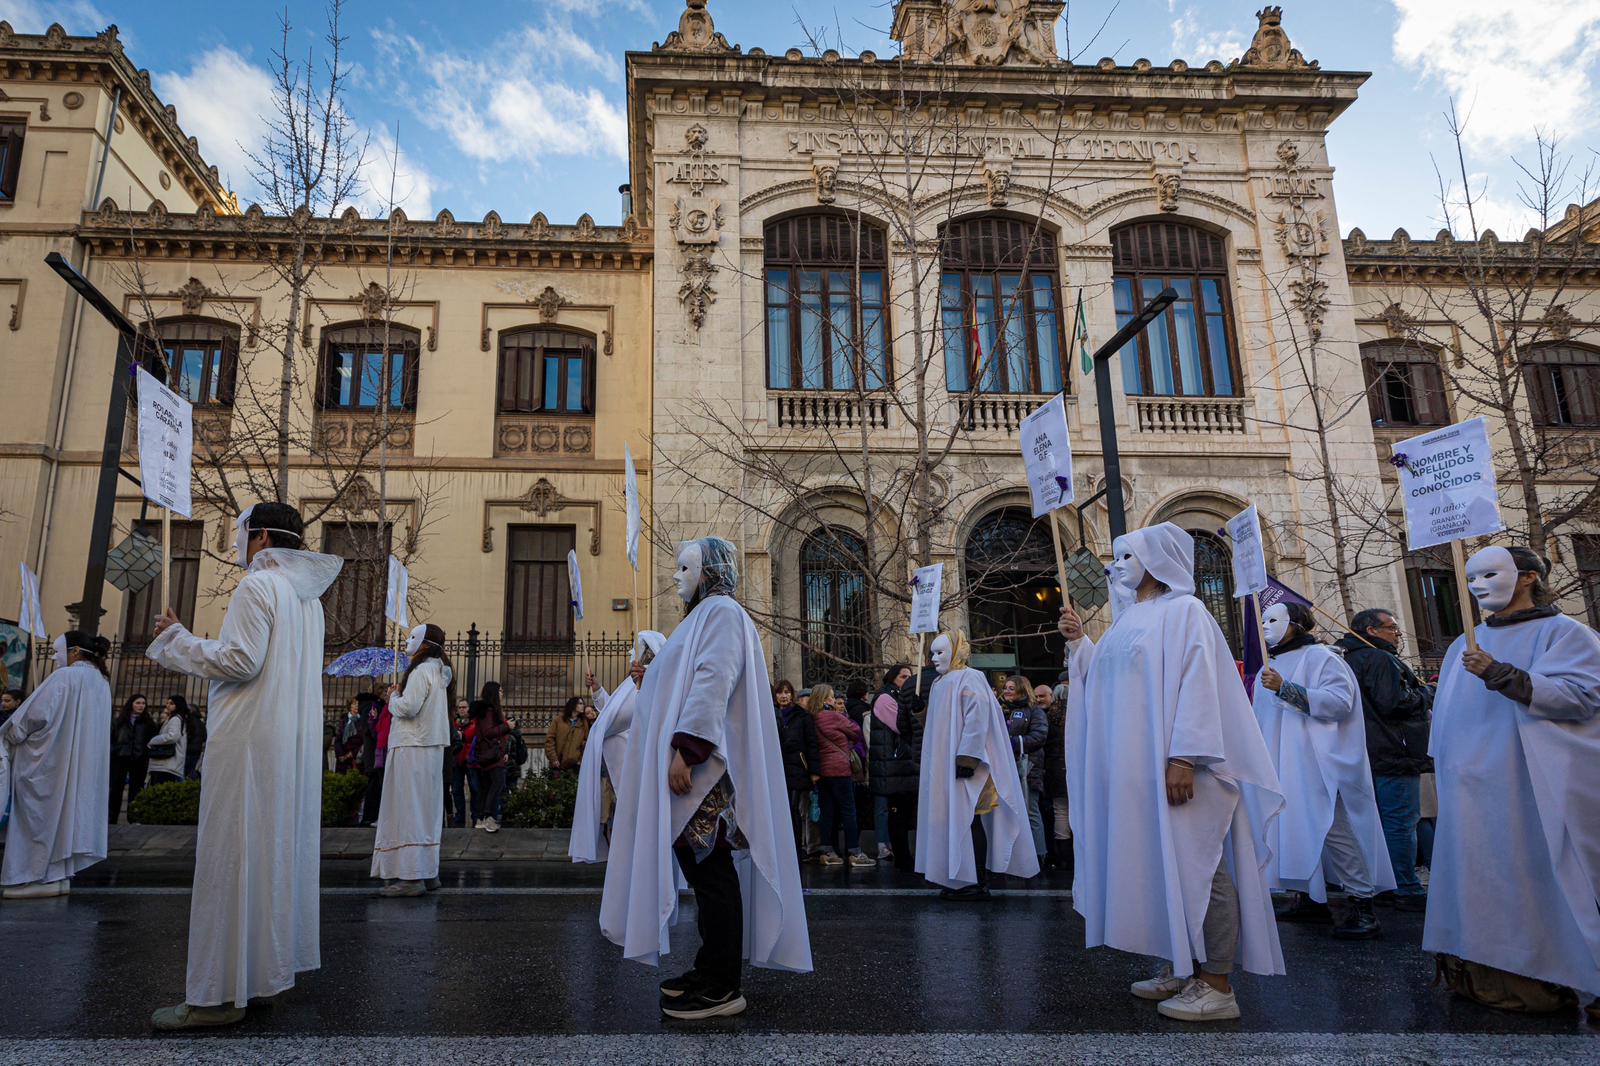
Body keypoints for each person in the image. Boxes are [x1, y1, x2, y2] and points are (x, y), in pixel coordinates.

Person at [1061, 523, 1284, 1023]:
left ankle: (1217, 982)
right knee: (1164, 864)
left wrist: (1185, 756)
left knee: (1201, 865)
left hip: (1180, 768)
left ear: (1155, 560)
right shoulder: (1127, 619)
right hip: (1140, 771)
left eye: (1125, 557)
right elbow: (1109, 681)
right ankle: (1183, 965)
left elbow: (1199, 681)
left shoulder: (1187, 611)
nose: (1114, 565)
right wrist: (1081, 647)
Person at [143, 501, 343, 1030]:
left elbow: (239, 660)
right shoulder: (308, 601)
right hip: (283, 747)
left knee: (230, 860)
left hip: (248, 744)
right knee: (268, 858)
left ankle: (214, 996)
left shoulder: (258, 587)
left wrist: (177, 641)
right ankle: (257, 979)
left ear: (259, 539)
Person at [601, 536, 810, 1022]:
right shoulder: (703, 617)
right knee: (704, 871)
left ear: (710, 571)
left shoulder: (720, 613)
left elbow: (713, 680)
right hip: (694, 769)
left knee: (711, 872)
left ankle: (721, 984)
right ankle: (709, 968)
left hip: (702, 774)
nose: (676, 576)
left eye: (684, 567)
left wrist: (687, 751)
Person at [1425, 546, 1600, 1007]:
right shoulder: (1463, 643)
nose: (1477, 586)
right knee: (1482, 879)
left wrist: (1502, 674)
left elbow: (1583, 697)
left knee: (1538, 877)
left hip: (1530, 787)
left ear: (1526, 578)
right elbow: (1446, 720)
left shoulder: (1566, 634)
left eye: (1488, 574)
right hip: (1472, 790)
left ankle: (1555, 974)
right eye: (1470, 577)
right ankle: (1487, 973)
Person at [1252, 602, 1395, 939]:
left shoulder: (1323, 658)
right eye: (1263, 620)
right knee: (1295, 828)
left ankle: (1362, 904)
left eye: (1274, 619)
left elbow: (1339, 702)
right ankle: (1309, 896)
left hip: (1319, 764)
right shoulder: (1270, 665)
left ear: (1297, 624)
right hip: (1284, 764)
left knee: (1333, 830)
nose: (1267, 626)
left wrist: (1287, 689)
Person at [916, 630, 1038, 901]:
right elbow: (939, 728)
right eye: (932, 653)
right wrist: (919, 711)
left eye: (940, 652)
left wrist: (967, 757)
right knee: (952, 818)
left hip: (967, 765)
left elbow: (977, 718)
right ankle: (959, 878)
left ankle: (977, 880)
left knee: (969, 818)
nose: (934, 658)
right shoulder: (939, 683)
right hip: (945, 765)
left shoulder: (970, 678)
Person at [1335, 608, 1434, 911]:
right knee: (1400, 822)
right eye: (1391, 627)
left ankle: (1385, 881)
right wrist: (1427, 693)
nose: (1397, 633)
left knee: (1382, 822)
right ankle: (1405, 886)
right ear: (1372, 631)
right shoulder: (1379, 659)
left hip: (1367, 752)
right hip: (1394, 751)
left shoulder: (1347, 660)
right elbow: (1394, 703)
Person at [1, 632, 111, 898]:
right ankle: (57, 874)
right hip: (79, 767)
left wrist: (11, 734)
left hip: (49, 764)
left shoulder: (65, 677)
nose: (54, 656)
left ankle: (30, 876)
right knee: (65, 821)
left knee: (38, 819)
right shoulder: (100, 683)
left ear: (74, 652)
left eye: (57, 651)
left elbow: (31, 717)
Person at [372, 623, 454, 898]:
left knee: (408, 809)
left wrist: (392, 697)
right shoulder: (438, 672)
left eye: (413, 639)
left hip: (412, 745)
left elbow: (408, 708)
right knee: (425, 810)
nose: (409, 642)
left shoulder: (421, 672)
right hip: (428, 746)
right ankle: (427, 871)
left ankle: (411, 877)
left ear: (424, 644)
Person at [572, 631, 667, 863]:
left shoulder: (657, 681)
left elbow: (622, 716)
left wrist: (643, 686)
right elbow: (614, 712)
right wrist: (597, 690)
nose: (632, 655)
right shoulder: (633, 682)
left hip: (645, 762)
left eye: (638, 651)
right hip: (629, 761)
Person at [812, 684, 872, 868]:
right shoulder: (834, 716)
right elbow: (856, 732)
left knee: (827, 811)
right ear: (825, 700)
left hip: (823, 770)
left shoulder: (812, 718)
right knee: (848, 810)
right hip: (840, 768)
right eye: (830, 697)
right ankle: (854, 851)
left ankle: (827, 850)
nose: (833, 699)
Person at [867, 665, 920, 871]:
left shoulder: (899, 696)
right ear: (893, 678)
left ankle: (905, 855)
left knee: (905, 813)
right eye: (903, 676)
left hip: (901, 765)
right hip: (893, 766)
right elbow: (903, 726)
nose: (907, 680)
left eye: (909, 677)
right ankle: (903, 857)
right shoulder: (885, 698)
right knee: (898, 814)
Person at [773, 678, 819, 858]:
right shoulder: (771, 714)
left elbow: (811, 743)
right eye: (780, 692)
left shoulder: (802, 716)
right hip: (778, 768)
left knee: (793, 809)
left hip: (797, 768)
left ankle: (796, 848)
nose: (783, 696)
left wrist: (814, 771)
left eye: (787, 692)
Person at [108, 693, 155, 824]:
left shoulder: (148, 723)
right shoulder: (121, 721)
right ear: (131, 704)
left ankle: (134, 818)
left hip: (138, 759)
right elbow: (112, 738)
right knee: (115, 789)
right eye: (138, 703)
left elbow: (151, 739)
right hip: (120, 757)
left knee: (136, 790)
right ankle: (111, 818)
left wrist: (145, 753)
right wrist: (115, 750)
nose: (141, 706)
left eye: (143, 703)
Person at [466, 698, 510, 832]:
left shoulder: (485, 711)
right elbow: (489, 732)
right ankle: (487, 816)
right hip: (492, 755)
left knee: (486, 786)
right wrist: (507, 726)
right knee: (498, 783)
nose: (502, 694)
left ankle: (481, 817)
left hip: (490, 754)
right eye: (500, 691)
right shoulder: (489, 711)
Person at [1042, 676, 1072, 875]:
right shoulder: (1079, 714)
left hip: (1054, 768)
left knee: (1060, 811)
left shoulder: (1049, 716)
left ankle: (1064, 857)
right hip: (1073, 767)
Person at [357, 692, 388, 827]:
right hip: (376, 755)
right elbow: (376, 732)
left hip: (372, 756)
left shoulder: (366, 708)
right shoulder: (373, 707)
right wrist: (375, 720)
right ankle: (370, 817)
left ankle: (369, 817)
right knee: (375, 787)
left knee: (374, 786)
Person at [145, 695, 191, 787]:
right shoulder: (175, 718)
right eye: (167, 703)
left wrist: (153, 740)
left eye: (171, 703)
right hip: (166, 764)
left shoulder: (175, 719)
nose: (167, 705)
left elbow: (172, 736)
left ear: (178, 705)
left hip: (167, 763)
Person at [546, 695, 592, 778]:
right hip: (557, 765)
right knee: (555, 790)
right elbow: (550, 740)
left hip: (575, 766)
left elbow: (586, 743)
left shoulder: (583, 723)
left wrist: (580, 760)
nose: (583, 706)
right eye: (580, 703)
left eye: (583, 703)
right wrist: (553, 758)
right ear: (573, 705)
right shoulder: (558, 720)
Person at [184, 704, 207, 781]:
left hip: (187, 749)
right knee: (191, 771)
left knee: (185, 771)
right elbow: (204, 737)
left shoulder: (189, 721)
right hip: (197, 750)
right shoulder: (201, 723)